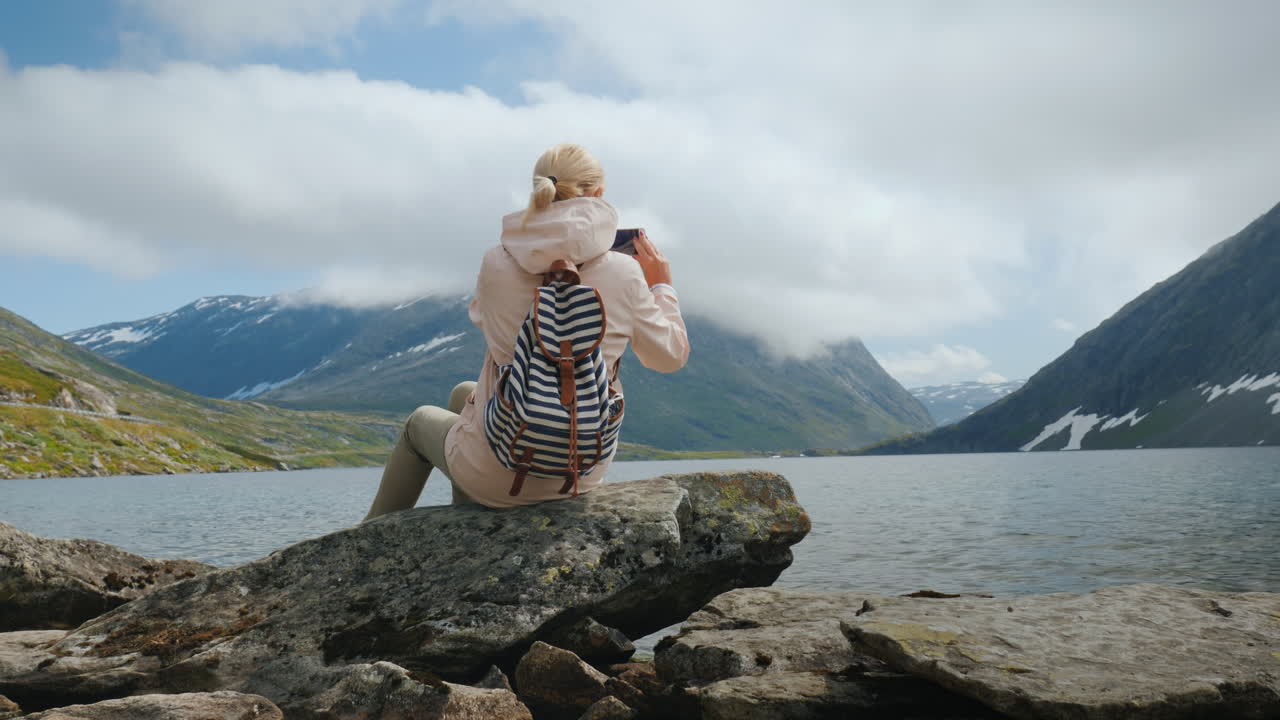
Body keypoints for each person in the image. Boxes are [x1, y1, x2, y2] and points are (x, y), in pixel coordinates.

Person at [363, 143, 689, 519]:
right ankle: (470, 519)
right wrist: (661, 287)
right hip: (580, 470)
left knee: (419, 421)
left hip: (501, 469)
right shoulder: (625, 271)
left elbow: (481, 317)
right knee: (462, 395)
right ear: (599, 194)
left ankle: (361, 543)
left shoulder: (497, 261)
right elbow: (669, 357)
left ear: (539, 189)